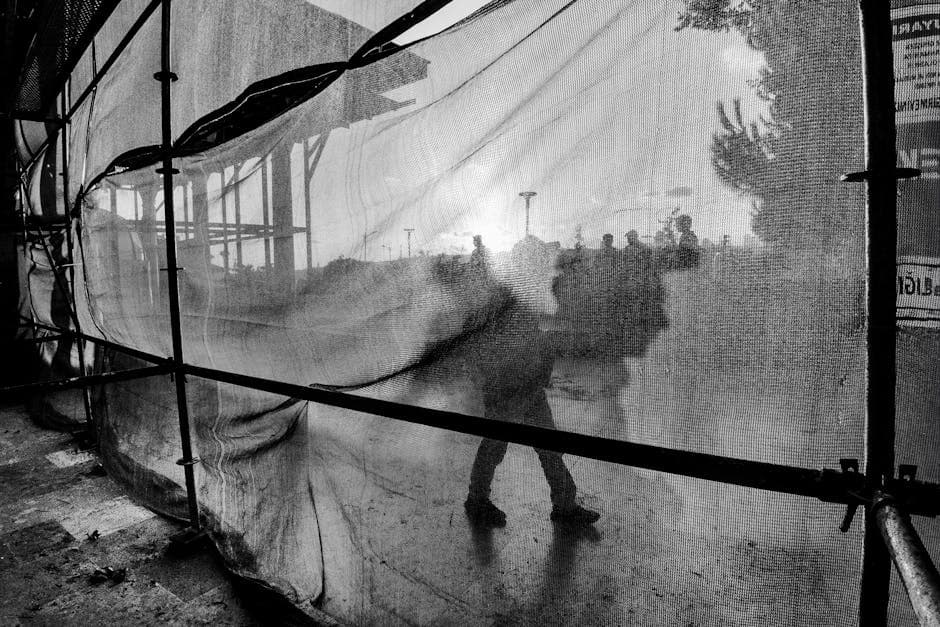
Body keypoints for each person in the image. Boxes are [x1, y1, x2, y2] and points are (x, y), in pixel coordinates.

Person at [463, 236, 600, 528]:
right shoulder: (504, 293)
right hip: (508, 387)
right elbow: (486, 339)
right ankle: (478, 501)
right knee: (497, 446)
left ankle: (564, 505)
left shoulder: (518, 291)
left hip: (527, 386)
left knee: (546, 447)